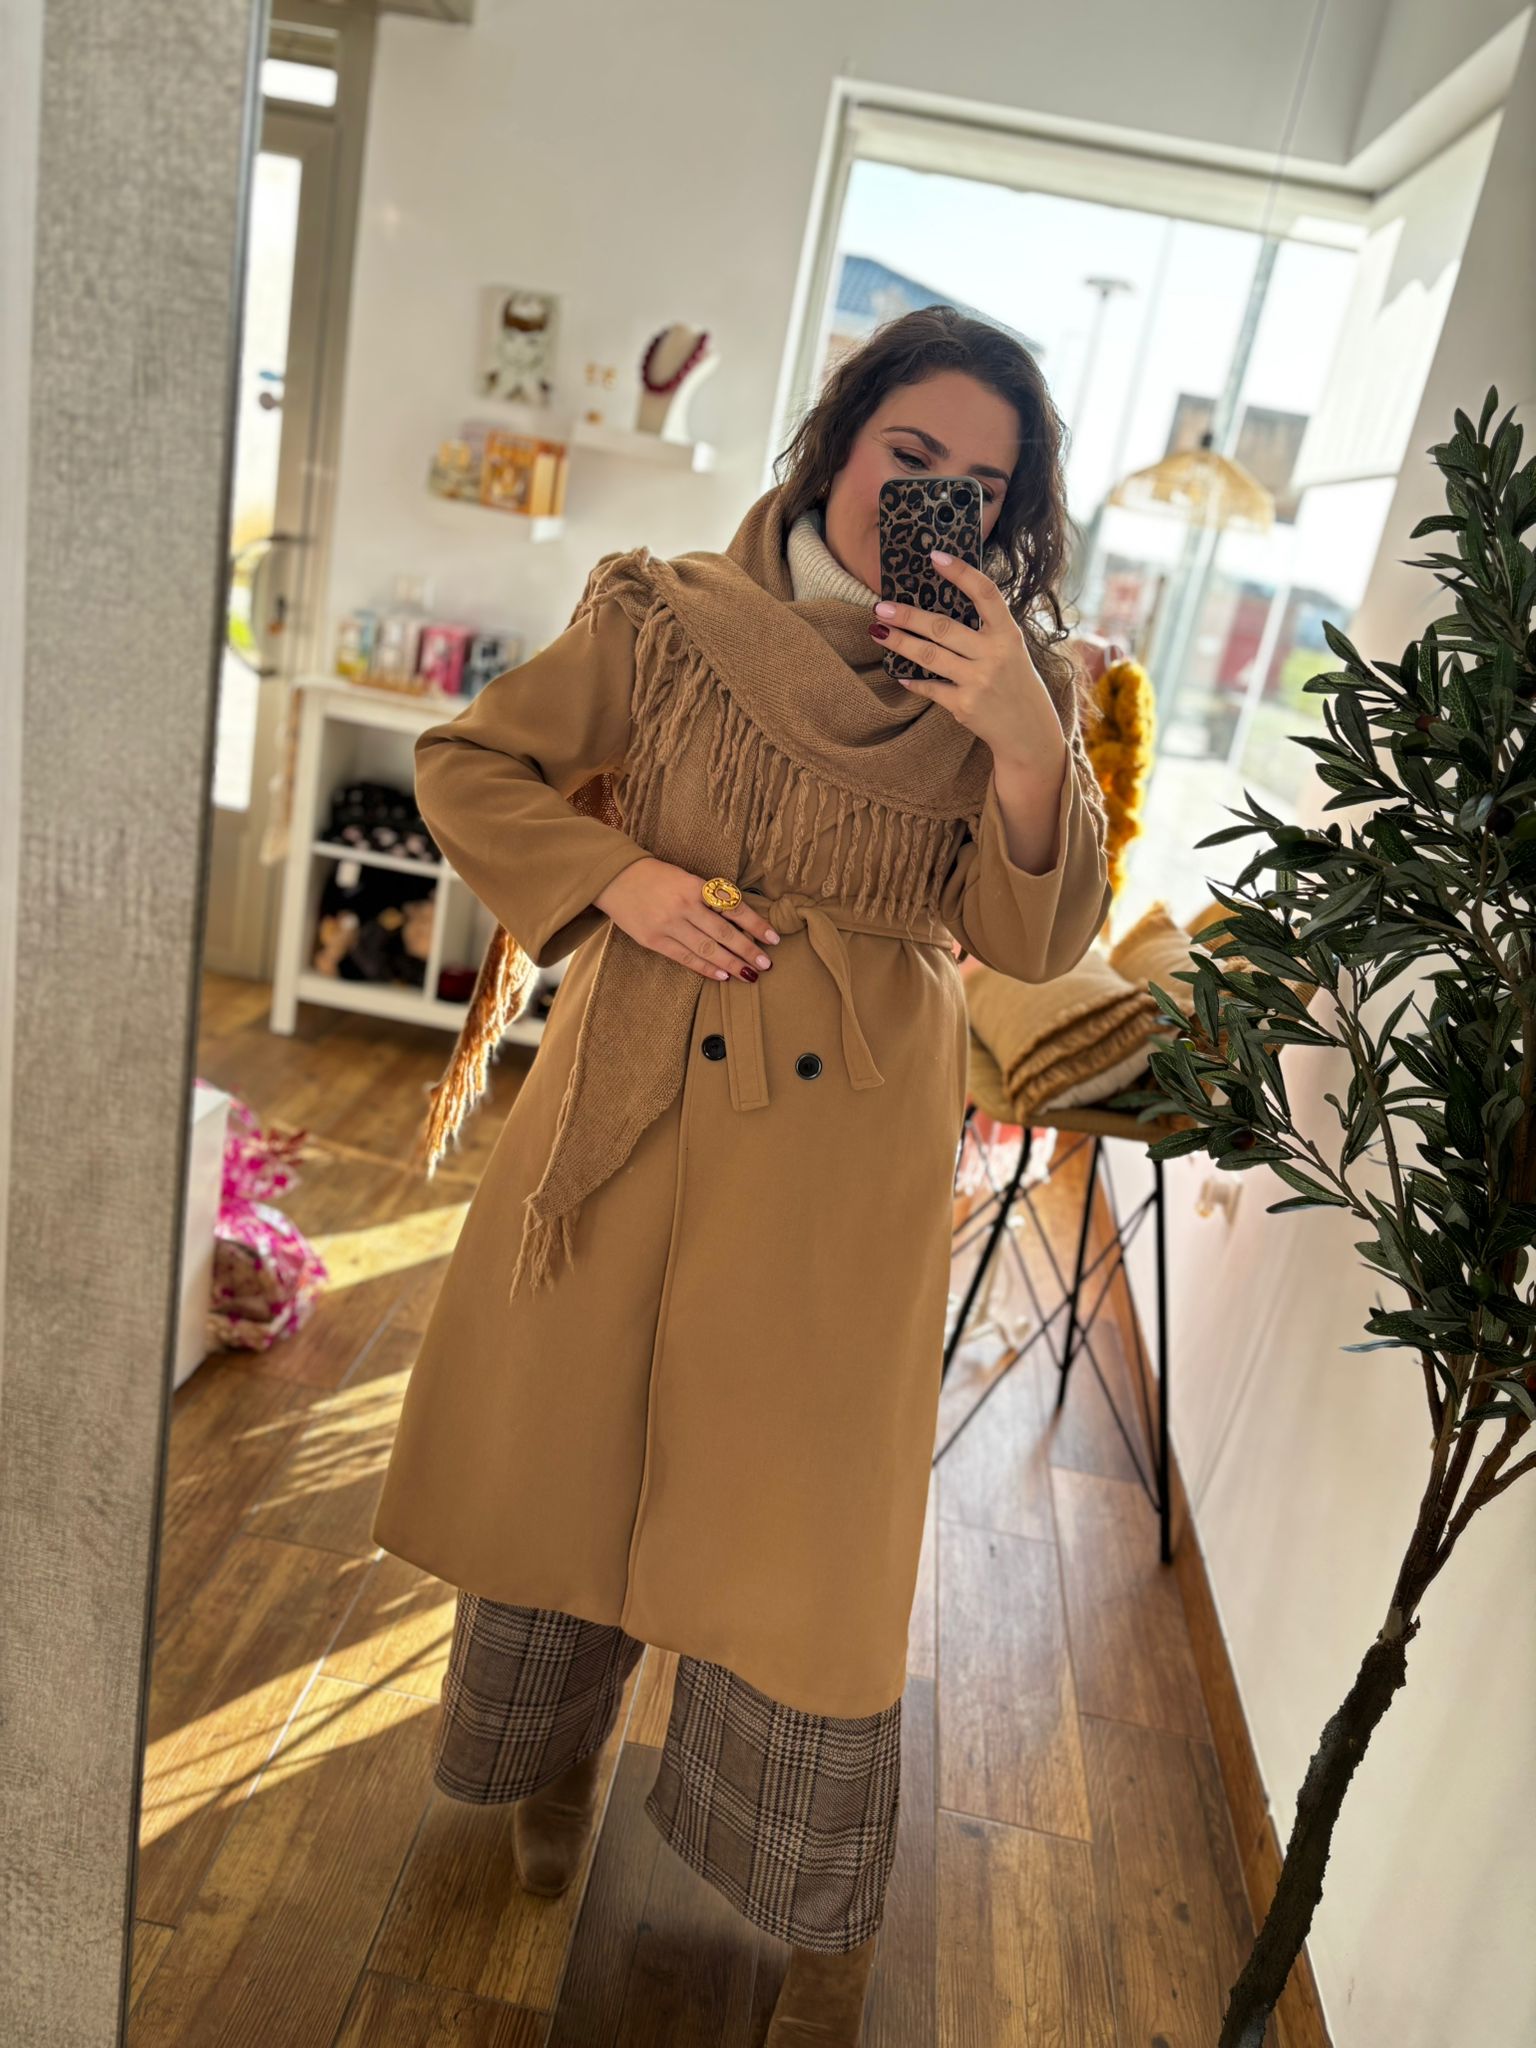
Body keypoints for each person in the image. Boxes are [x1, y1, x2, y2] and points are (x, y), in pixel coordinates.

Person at [370, 306, 1112, 2045]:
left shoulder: (1013, 681)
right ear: (840, 444)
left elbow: (1035, 934)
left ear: (1011, 515)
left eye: (979, 484)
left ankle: (798, 1896)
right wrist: (617, 880)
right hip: (634, 1091)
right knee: (582, 1450)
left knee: (796, 1525)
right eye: (909, 459)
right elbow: (467, 762)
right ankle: (553, 1765)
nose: (932, 503)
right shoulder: (667, 618)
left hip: (843, 1146)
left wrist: (1024, 737)